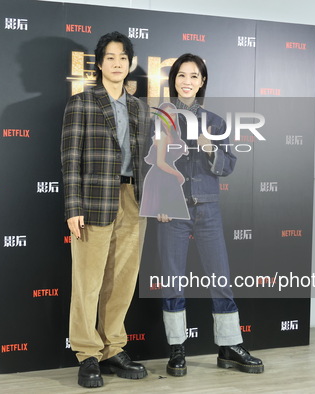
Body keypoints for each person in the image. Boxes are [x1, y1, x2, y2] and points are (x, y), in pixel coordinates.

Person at [153, 53, 264, 377]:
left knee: (220, 277)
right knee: (172, 279)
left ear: (202, 82)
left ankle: (229, 346)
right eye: (181, 75)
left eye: (193, 76)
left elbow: (228, 165)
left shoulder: (214, 121)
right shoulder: (161, 118)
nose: (187, 81)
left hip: (207, 208)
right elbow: (151, 163)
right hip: (173, 210)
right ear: (174, 80)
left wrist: (210, 148)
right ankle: (177, 349)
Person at [60, 31, 148, 388]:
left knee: (122, 280)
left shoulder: (141, 108)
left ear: (130, 64)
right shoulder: (81, 103)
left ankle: (113, 347)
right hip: (94, 199)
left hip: (133, 199)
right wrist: (73, 205)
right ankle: (87, 353)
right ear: (99, 64)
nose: (117, 64)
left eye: (123, 58)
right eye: (110, 57)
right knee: (88, 280)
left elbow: (148, 160)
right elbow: (70, 160)